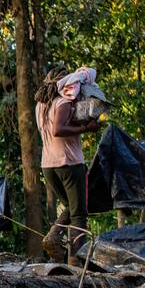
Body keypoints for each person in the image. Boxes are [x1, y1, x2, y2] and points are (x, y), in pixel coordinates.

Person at [35, 66, 101, 264]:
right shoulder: (63, 102)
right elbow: (58, 129)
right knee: (79, 214)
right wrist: (86, 128)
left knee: (72, 208)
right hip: (70, 163)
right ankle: (75, 260)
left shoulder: (41, 105)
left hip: (48, 165)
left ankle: (53, 235)